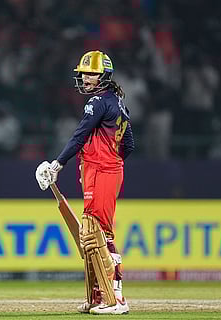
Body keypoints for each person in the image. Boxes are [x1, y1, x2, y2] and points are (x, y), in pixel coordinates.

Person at [47, 51, 134, 314]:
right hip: (104, 170)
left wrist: (58, 163)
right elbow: (129, 145)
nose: (85, 77)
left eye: (91, 73)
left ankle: (116, 299)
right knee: (91, 232)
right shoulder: (118, 102)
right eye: (84, 72)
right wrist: (108, 160)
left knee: (101, 233)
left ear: (104, 76)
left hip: (102, 171)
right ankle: (99, 295)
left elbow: (79, 135)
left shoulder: (97, 102)